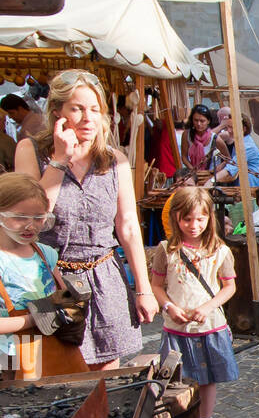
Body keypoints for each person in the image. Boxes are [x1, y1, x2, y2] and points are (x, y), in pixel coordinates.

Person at [15, 69, 157, 369]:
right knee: (56, 375)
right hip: (52, 283)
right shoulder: (31, 151)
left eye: (95, 109)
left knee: (106, 380)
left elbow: (129, 227)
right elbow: (32, 220)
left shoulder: (113, 160)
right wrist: (59, 159)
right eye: (77, 108)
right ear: (58, 113)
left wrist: (143, 289)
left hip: (104, 280)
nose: (88, 118)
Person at [150, 186, 238, 418]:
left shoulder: (219, 250)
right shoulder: (166, 249)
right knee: (177, 377)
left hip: (208, 325)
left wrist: (209, 307)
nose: (193, 225)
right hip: (177, 326)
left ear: (209, 218)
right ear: (176, 218)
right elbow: (157, 284)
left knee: (207, 378)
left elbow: (229, 287)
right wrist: (167, 306)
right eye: (187, 219)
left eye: (200, 219)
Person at [0, 173, 89, 381]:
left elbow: (62, 295)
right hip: (9, 358)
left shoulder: (44, 253)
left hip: (51, 349)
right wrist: (35, 319)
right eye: (20, 217)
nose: (30, 226)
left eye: (39, 218)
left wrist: (73, 307)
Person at [214, 115, 259, 187]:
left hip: (252, 185)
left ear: (244, 129)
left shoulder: (247, 146)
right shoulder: (239, 143)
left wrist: (212, 180)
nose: (229, 130)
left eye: (232, 127)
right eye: (227, 127)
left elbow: (232, 167)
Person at [181, 105, 216, 170]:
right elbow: (184, 157)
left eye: (202, 121)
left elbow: (227, 158)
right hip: (193, 174)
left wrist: (216, 171)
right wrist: (193, 171)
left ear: (208, 121)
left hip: (210, 175)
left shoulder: (214, 138)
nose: (199, 124)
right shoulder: (186, 134)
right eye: (196, 120)